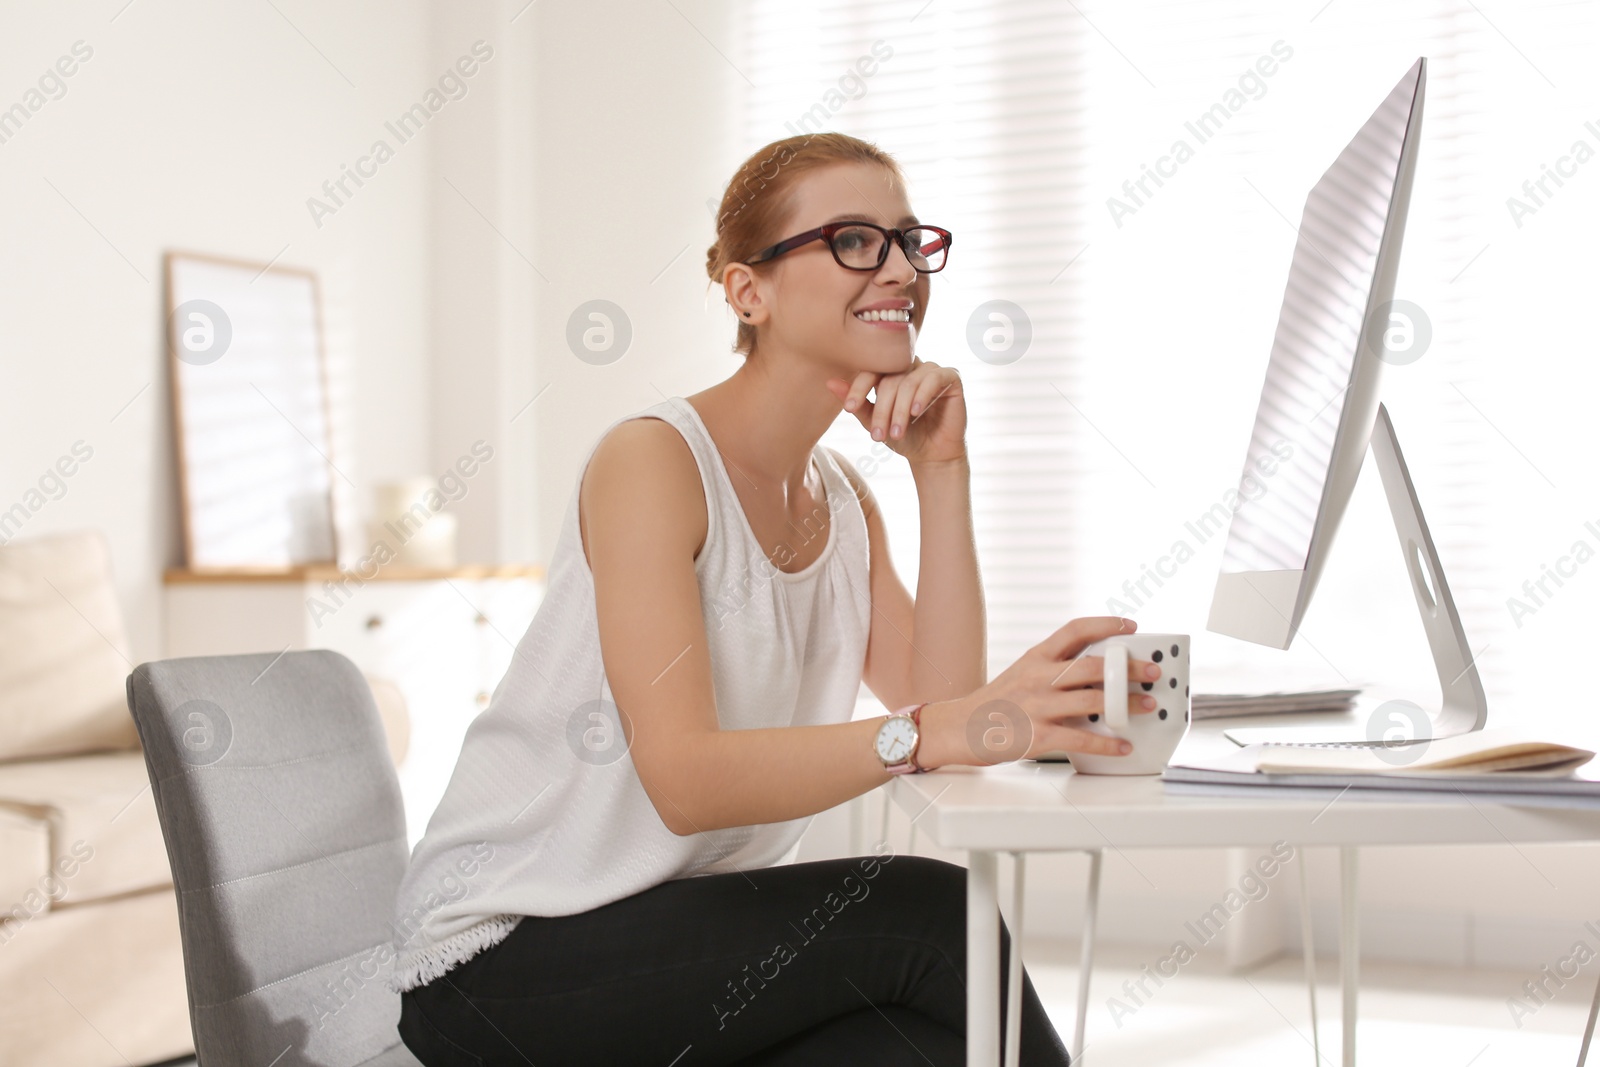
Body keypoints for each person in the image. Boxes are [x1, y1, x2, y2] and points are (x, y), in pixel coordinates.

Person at [390, 131, 1160, 1067]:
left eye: (910, 241)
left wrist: (941, 472)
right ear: (747, 291)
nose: (900, 269)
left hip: (674, 940)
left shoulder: (840, 496)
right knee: (931, 914)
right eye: (853, 240)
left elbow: (943, 704)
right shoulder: (654, 462)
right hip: (507, 956)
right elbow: (686, 779)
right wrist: (939, 728)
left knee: (930, 1046)